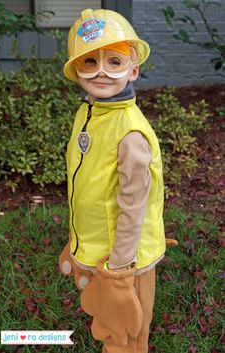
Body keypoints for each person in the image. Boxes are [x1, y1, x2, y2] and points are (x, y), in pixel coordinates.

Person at [59, 8, 177, 353]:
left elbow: (133, 206)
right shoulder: (91, 110)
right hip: (100, 243)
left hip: (126, 258)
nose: (102, 72)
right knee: (107, 312)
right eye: (89, 62)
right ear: (75, 70)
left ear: (133, 69)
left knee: (128, 323)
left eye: (114, 62)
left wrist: (120, 270)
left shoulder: (130, 134)